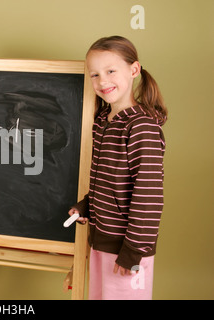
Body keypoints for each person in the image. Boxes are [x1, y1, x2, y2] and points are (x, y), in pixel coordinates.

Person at [68, 36, 167, 299]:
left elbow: (148, 198)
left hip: (127, 250)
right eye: (95, 74)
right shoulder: (103, 121)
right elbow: (109, 182)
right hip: (102, 242)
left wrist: (133, 252)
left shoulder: (141, 127)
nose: (102, 81)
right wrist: (86, 205)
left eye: (111, 71)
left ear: (134, 70)